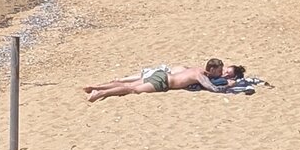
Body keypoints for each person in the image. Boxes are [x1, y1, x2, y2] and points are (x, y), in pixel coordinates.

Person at [82, 59, 233, 102]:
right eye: (219, 72)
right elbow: (212, 88)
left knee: (127, 84)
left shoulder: (194, 68)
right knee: (131, 89)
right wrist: (230, 86)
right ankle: (100, 93)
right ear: (212, 69)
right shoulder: (200, 75)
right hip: (163, 83)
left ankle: (97, 86)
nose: (219, 74)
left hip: (162, 74)